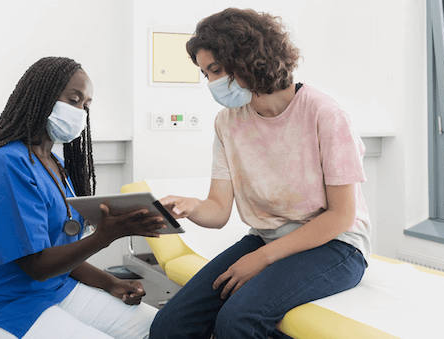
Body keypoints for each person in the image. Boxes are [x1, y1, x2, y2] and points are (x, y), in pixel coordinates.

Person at [149, 8, 371, 339]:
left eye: (216, 70)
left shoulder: (323, 112)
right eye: (205, 73)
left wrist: (261, 259)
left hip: (336, 245)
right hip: (267, 237)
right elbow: (218, 211)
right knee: (170, 324)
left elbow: (341, 216)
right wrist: (190, 206)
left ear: (248, 58)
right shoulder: (228, 122)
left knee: (239, 319)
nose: (211, 82)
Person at [0, 57, 164, 339]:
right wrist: (104, 236)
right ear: (42, 97)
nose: (80, 112)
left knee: (164, 326)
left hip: (55, 288)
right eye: (73, 100)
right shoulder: (5, 164)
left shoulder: (54, 164)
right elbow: (36, 265)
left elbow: (59, 254)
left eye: (86, 105)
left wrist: (109, 282)